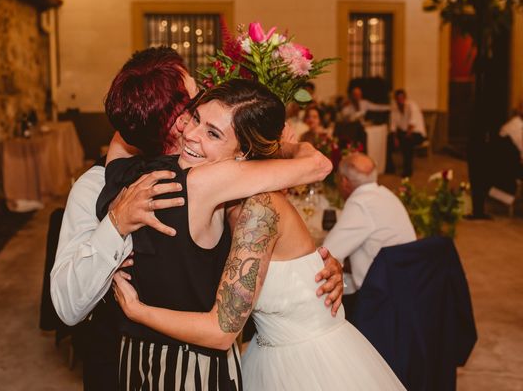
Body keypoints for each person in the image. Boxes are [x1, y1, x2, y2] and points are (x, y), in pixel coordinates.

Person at [50, 48, 344, 390]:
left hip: (149, 362)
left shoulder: (129, 170)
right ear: (171, 118)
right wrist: (114, 225)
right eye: (193, 107)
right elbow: (66, 307)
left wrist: (305, 271)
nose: (193, 127)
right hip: (130, 363)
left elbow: (250, 253)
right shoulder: (99, 185)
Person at [112, 82, 406, 390]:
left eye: (213, 133)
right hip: (267, 352)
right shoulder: (225, 199)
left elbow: (221, 332)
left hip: (308, 366)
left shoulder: (259, 208)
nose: (191, 134)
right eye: (196, 119)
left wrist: (137, 311)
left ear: (243, 152)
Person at [322, 153, 417, 319]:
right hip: (407, 286)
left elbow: (327, 254)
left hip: (380, 300)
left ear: (344, 181)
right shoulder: (386, 194)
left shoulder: (360, 204)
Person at [387, 89, 426, 177]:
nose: (400, 101)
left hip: (417, 133)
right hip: (403, 133)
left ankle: (408, 170)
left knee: (407, 141)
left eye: (402, 98)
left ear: (405, 98)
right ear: (395, 99)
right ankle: (390, 167)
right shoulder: (395, 108)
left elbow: (412, 124)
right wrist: (395, 138)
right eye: (398, 99)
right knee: (388, 139)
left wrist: (403, 137)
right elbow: (393, 126)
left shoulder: (412, 106)